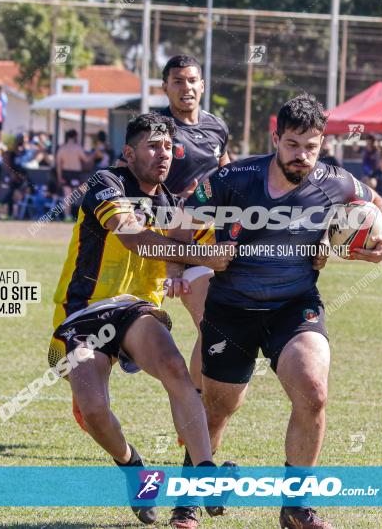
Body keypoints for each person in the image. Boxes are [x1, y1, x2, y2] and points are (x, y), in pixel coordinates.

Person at [175, 94, 382, 529]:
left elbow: (378, 204)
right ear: (275, 138)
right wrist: (195, 258)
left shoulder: (335, 181)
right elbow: (179, 225)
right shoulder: (233, 178)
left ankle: (296, 506)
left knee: (313, 391)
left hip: (294, 307)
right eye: (293, 145)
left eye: (312, 147)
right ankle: (191, 497)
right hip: (231, 308)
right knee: (218, 408)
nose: (302, 156)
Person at [50, 112, 236, 526]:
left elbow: (206, 244)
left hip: (136, 309)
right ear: (128, 152)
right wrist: (197, 256)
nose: (163, 154)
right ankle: (135, 467)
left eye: (169, 147)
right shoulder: (105, 183)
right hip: (82, 313)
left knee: (174, 368)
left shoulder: (173, 204)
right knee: (93, 410)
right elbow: (132, 236)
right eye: (153, 146)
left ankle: (204, 473)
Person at [157, 54, 232, 404]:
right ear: (165, 87)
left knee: (213, 323)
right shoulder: (156, 128)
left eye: (192, 80)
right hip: (158, 237)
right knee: (123, 326)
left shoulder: (217, 126)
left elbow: (225, 171)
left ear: (202, 85)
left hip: (201, 240)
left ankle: (195, 411)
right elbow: (130, 174)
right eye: (177, 81)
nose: (186, 87)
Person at [55, 129, 91, 220]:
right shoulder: (78, 148)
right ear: (75, 136)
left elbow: (59, 165)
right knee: (83, 193)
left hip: (65, 173)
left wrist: (59, 177)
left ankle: (67, 216)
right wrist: (94, 155)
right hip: (75, 174)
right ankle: (83, 215)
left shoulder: (62, 148)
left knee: (67, 196)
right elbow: (86, 160)